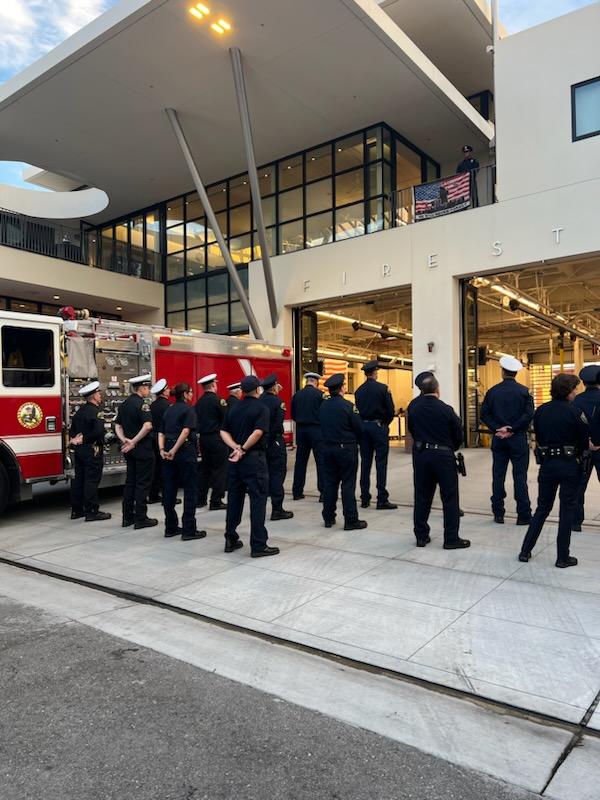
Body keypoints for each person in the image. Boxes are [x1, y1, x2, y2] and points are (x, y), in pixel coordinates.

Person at [519, 373, 589, 568]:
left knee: (542, 508)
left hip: (548, 465)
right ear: (568, 391)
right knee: (567, 510)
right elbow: (584, 441)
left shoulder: (540, 411)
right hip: (569, 466)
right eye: (575, 389)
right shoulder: (575, 412)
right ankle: (562, 557)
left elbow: (538, 437)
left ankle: (525, 551)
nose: (576, 393)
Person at [407, 372, 470, 549]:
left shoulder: (414, 407)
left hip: (421, 455)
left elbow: (412, 429)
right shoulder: (446, 409)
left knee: (422, 496)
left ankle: (421, 536)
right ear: (437, 389)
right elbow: (458, 436)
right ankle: (451, 538)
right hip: (443, 456)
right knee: (449, 498)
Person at [220, 375, 279, 558]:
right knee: (258, 501)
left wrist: (235, 447)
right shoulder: (262, 408)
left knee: (234, 501)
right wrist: (243, 448)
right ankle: (258, 545)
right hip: (254, 460)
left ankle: (230, 538)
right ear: (258, 390)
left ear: (242, 391)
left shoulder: (234, 408)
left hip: (235, 461)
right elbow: (258, 432)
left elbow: (223, 431)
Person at [480, 355, 534, 525]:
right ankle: (523, 515)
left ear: (502, 372)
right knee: (520, 476)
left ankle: (498, 513)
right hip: (518, 439)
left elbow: (484, 414)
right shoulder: (525, 392)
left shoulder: (492, 392)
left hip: (498, 439)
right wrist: (512, 428)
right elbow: (528, 415)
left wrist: (498, 428)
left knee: (498, 476)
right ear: (515, 373)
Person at [319, 372, 367, 531]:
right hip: (346, 449)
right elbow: (359, 428)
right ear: (341, 388)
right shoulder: (348, 406)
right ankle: (351, 520)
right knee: (348, 484)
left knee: (330, 483)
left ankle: (328, 517)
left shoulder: (323, 406)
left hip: (327, 449)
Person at [159, 382, 206, 541]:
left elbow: (161, 433)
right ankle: (189, 529)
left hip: (167, 452)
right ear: (185, 394)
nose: (192, 395)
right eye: (191, 392)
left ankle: (170, 527)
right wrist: (175, 449)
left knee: (169, 490)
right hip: (184, 453)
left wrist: (163, 450)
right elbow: (186, 431)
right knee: (190, 490)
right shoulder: (188, 410)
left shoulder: (169, 410)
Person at [115, 373, 157, 529]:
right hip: (143, 450)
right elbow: (148, 426)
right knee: (142, 484)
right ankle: (141, 518)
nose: (149, 391)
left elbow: (117, 425)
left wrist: (124, 439)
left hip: (129, 451)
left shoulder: (125, 404)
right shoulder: (142, 404)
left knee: (130, 483)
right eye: (148, 388)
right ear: (143, 388)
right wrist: (133, 441)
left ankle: (127, 517)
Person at [354, 360, 397, 510]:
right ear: (374, 373)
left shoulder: (358, 391)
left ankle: (365, 498)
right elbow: (391, 411)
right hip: (378, 427)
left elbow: (357, 411)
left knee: (365, 463)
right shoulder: (383, 388)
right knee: (381, 463)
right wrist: (384, 423)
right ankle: (382, 499)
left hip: (363, 428)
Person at [69, 380, 111, 522]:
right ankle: (92, 511)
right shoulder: (96, 412)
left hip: (80, 451)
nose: (100, 395)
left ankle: (76, 510)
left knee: (79, 479)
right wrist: (85, 438)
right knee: (91, 480)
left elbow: (72, 431)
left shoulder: (79, 412)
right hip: (92, 449)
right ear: (93, 396)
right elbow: (99, 431)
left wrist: (76, 440)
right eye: (98, 393)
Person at [261, 373, 293, 521]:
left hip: (261, 442)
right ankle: (277, 509)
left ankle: (261, 507)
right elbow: (277, 424)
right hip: (275, 442)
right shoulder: (277, 402)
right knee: (277, 473)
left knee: (264, 473)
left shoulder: (259, 400)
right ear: (274, 386)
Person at [571, 365, 600, 530]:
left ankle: (576, 523)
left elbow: (572, 424)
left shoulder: (576, 400)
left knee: (579, 487)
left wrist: (586, 441)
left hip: (583, 450)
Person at [195, 373, 228, 510]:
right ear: (214, 385)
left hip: (203, 438)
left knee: (205, 469)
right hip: (217, 438)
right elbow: (226, 419)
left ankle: (200, 499)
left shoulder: (199, 402)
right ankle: (216, 500)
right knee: (219, 470)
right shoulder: (218, 401)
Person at [291, 372, 324, 501]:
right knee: (320, 462)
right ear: (316, 382)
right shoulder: (320, 395)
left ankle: (297, 491)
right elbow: (324, 413)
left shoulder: (296, 395)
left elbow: (293, 414)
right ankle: (323, 492)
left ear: (307, 381)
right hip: (316, 431)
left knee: (300, 462)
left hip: (301, 430)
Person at [148, 378, 170, 504]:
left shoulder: (152, 405)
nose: (168, 391)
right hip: (163, 438)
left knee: (155, 468)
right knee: (166, 467)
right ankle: (166, 495)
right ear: (163, 391)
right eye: (167, 389)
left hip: (153, 438)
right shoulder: (167, 406)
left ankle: (153, 495)